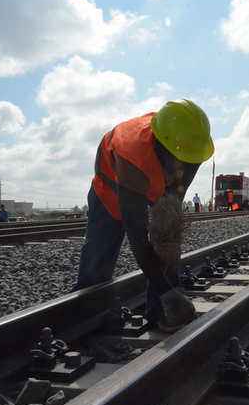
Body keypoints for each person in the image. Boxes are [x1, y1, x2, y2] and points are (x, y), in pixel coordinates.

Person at [77, 99, 215, 332]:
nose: (185, 169)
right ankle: (86, 322)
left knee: (167, 238)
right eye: (180, 162)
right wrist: (166, 291)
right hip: (110, 193)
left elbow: (168, 222)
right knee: (98, 260)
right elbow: (137, 237)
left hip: (154, 181)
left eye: (190, 162)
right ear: (162, 147)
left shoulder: (190, 144)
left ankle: (160, 314)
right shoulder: (132, 156)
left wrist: (169, 275)